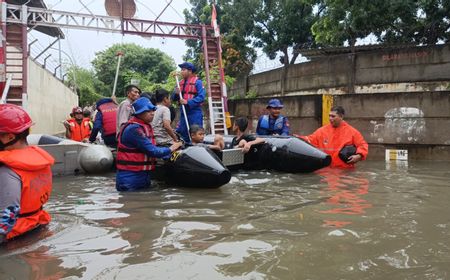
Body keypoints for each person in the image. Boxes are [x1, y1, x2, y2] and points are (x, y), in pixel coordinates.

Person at [0, 104, 54, 244]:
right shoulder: (40, 162)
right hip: (36, 226)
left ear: (9, 137)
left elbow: (7, 218)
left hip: (13, 238)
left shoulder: (8, 171)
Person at [116, 97, 182, 191]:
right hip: (130, 177)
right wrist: (172, 148)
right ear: (139, 113)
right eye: (148, 111)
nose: (152, 113)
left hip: (143, 175)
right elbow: (153, 151)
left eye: (152, 110)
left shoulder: (144, 126)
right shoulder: (133, 129)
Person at [301, 106, 368, 168]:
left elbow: (362, 145)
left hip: (344, 171)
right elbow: (310, 140)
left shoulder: (352, 132)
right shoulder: (322, 131)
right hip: (326, 170)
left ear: (341, 117)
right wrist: (296, 137)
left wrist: (359, 156)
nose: (330, 118)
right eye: (329, 116)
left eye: (333, 116)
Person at [172, 62, 206, 143]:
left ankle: (197, 150)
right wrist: (176, 93)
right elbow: (173, 98)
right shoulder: (179, 83)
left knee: (196, 132)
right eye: (181, 70)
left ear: (190, 71)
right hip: (183, 112)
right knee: (183, 132)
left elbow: (201, 97)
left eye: (183, 70)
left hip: (194, 112)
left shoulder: (198, 82)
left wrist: (188, 102)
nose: (181, 72)